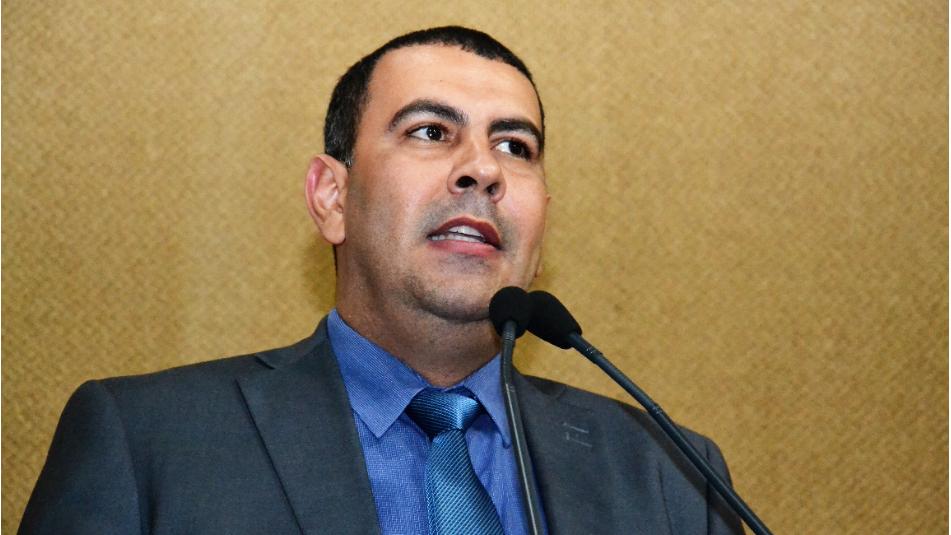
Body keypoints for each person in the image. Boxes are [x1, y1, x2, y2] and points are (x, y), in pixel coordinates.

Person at [19, 26, 743, 534]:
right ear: (331, 197)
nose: (482, 168)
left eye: (515, 146)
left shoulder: (671, 473)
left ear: (542, 218)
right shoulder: (146, 442)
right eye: (430, 132)